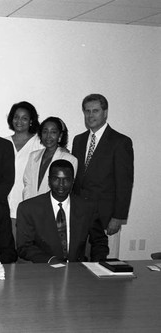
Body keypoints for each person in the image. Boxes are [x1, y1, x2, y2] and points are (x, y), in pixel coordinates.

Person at [72, 94, 134, 258]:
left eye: (95, 111)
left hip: (106, 217)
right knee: (81, 267)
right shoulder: (78, 140)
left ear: (105, 113)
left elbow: (125, 183)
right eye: (87, 111)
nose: (90, 115)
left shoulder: (120, 142)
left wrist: (118, 217)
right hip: (81, 216)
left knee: (106, 267)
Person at [17, 160, 109, 264]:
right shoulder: (29, 208)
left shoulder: (87, 208)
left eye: (66, 180)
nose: (61, 184)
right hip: (44, 269)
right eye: (56, 179)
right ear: (49, 180)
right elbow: (24, 246)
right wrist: (50, 260)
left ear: (73, 181)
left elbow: (100, 241)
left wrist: (96, 266)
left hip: (77, 271)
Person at [5, 101, 43, 238]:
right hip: (5, 207)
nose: (19, 121)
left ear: (31, 121)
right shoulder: (3, 143)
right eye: (16, 117)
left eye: (24, 118)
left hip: (30, 207)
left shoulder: (39, 143)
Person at [22, 116, 77, 200]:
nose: (48, 136)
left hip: (52, 209)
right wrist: (29, 205)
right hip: (31, 208)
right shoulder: (33, 156)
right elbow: (27, 184)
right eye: (45, 131)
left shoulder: (69, 159)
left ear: (60, 136)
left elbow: (64, 189)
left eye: (53, 132)